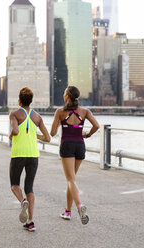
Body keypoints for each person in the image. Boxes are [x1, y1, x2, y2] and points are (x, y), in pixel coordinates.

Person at [50, 86, 99, 225]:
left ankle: (79, 207)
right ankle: (68, 211)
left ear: (67, 96)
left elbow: (52, 133)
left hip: (67, 145)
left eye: (64, 93)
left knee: (70, 180)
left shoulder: (60, 112)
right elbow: (96, 125)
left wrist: (60, 123)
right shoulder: (85, 111)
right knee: (72, 180)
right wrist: (87, 134)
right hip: (80, 146)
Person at [9, 87, 51, 232]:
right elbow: (48, 138)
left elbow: (15, 131)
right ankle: (30, 221)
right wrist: (35, 135)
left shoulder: (14, 114)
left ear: (19, 100)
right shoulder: (38, 117)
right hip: (33, 155)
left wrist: (10, 135)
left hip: (19, 154)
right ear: (31, 101)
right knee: (29, 188)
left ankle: (23, 201)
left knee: (15, 185)